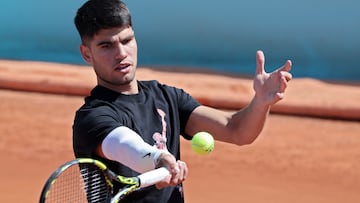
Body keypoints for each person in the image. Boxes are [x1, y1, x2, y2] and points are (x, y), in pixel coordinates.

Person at [72, 0, 292, 202]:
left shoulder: (167, 97)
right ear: (87, 54)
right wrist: (159, 158)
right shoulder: (92, 117)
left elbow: (237, 130)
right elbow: (124, 145)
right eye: (106, 46)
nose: (121, 53)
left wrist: (261, 103)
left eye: (127, 40)